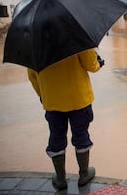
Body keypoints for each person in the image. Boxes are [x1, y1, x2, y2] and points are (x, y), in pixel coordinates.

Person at [27, 48, 104, 190]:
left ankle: (61, 179)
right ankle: (84, 174)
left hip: (52, 102)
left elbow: (32, 76)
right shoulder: (75, 35)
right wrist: (98, 62)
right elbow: (90, 64)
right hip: (79, 99)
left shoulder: (34, 44)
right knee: (81, 135)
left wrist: (43, 96)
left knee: (56, 137)